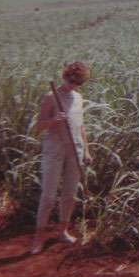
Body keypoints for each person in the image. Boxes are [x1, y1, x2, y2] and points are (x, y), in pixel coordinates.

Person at [31, 61, 92, 254]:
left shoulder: (78, 98)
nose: (73, 85)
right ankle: (38, 238)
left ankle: (63, 231)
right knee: (49, 195)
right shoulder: (51, 97)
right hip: (54, 150)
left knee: (69, 194)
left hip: (76, 150)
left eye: (78, 83)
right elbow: (39, 125)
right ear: (65, 76)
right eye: (71, 80)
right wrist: (53, 121)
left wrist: (87, 151)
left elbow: (81, 127)